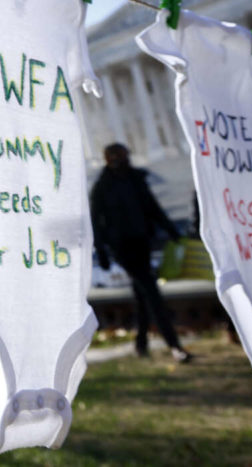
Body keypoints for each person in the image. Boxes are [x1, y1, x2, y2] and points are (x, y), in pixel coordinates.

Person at [90, 143, 193, 362]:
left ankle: (141, 344)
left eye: (124, 156)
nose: (121, 160)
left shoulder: (136, 179)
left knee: (143, 294)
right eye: (116, 157)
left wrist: (172, 231)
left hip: (142, 242)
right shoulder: (102, 187)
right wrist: (102, 252)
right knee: (151, 291)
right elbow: (96, 223)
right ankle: (175, 346)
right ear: (108, 159)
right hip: (122, 248)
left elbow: (152, 207)